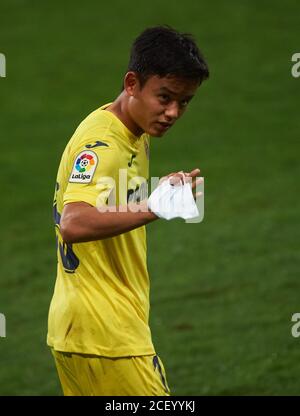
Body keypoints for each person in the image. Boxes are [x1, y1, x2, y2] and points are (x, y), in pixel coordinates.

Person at [47, 25, 209, 396]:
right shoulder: (105, 144)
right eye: (165, 97)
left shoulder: (129, 129)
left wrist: (160, 191)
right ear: (132, 83)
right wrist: (153, 207)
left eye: (184, 102)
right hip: (108, 337)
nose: (172, 113)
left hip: (83, 331)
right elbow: (73, 222)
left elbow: (106, 197)